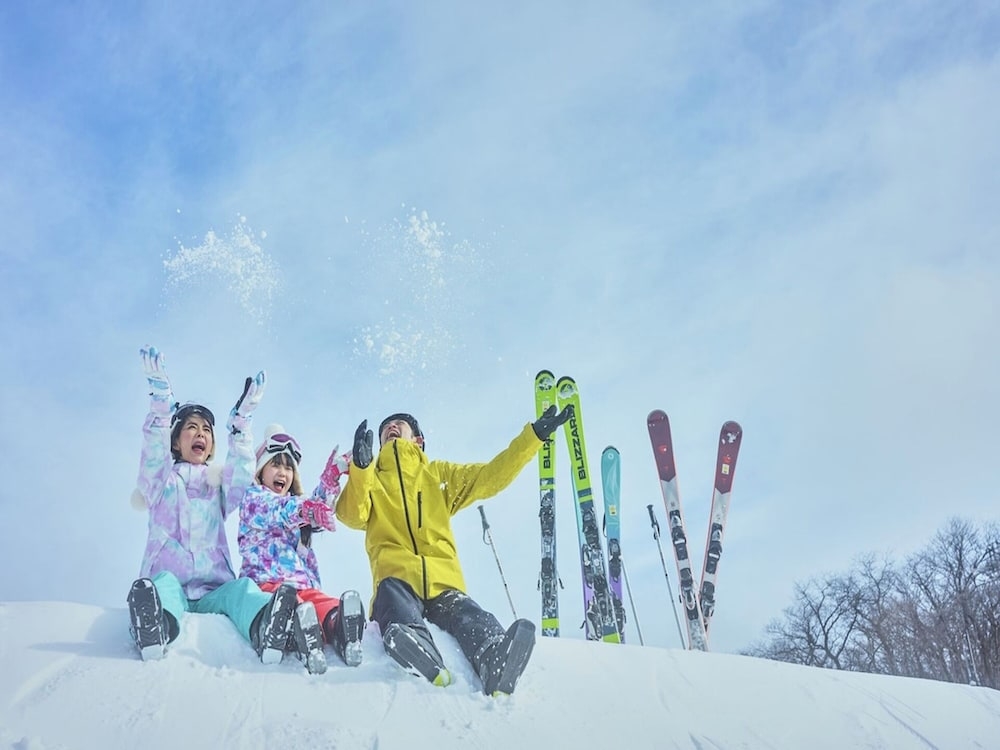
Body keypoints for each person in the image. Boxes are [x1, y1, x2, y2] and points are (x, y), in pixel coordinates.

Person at [335, 406, 571, 695]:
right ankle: (416, 645)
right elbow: (351, 515)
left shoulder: (437, 475)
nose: (390, 428)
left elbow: (489, 477)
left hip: (443, 583)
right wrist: (360, 470)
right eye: (386, 428)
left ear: (418, 440)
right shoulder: (373, 480)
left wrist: (533, 437)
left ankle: (494, 657)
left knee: (469, 614)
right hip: (396, 578)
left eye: (399, 424)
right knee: (391, 595)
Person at [126, 345, 299, 664]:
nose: (200, 433)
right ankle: (156, 625)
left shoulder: (217, 486)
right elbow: (152, 452)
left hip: (213, 588)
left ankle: (266, 627)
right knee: (161, 585)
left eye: (206, 429)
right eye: (191, 427)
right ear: (176, 440)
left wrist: (241, 424)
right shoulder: (161, 482)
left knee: (242, 590)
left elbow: (243, 475)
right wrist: (161, 403)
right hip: (171, 580)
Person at [238, 423, 366, 675]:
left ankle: (338, 627)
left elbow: (313, 505)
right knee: (291, 602)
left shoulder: (294, 504)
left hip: (303, 587)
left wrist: (332, 477)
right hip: (267, 586)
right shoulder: (253, 499)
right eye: (275, 464)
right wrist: (304, 511)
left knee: (323, 603)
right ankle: (303, 631)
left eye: (288, 467)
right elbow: (281, 510)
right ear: (261, 470)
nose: (282, 473)